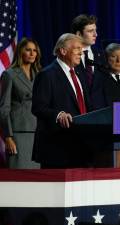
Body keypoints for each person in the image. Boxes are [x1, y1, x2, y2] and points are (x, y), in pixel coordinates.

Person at [32, 33, 91, 168]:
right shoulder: (47, 74)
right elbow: (38, 107)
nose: (80, 53)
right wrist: (58, 115)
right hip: (56, 147)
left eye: (81, 50)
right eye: (77, 49)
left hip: (80, 145)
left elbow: (86, 106)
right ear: (63, 51)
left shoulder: (79, 75)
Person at [0, 38, 41, 169]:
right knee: (20, 180)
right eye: (28, 50)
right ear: (20, 52)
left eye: (34, 50)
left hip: (38, 134)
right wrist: (8, 137)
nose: (32, 53)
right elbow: (4, 109)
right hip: (18, 134)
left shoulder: (40, 75)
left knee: (38, 180)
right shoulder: (9, 74)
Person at [71, 14, 107, 110]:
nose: (96, 34)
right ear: (78, 34)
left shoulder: (102, 56)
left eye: (95, 30)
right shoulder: (69, 57)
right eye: (91, 31)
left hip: (100, 114)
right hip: (78, 113)